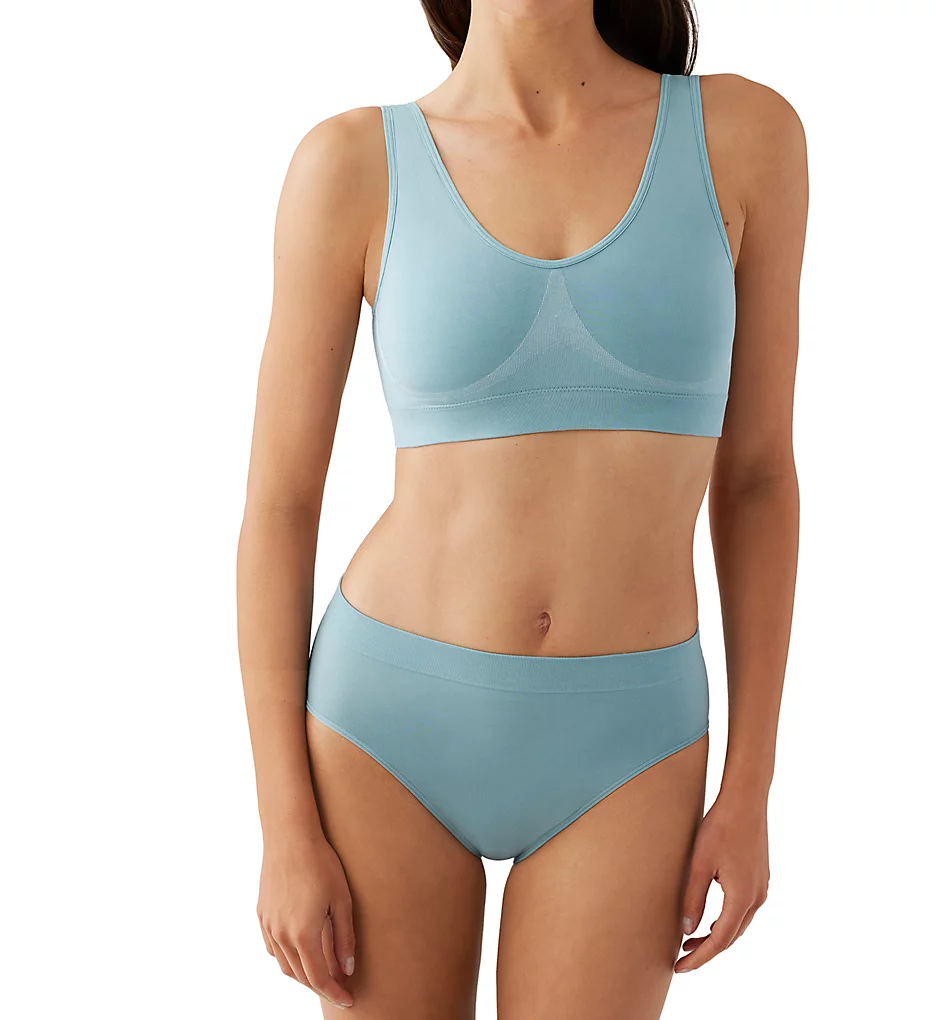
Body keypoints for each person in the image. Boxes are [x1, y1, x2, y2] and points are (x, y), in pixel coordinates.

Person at [236, 1, 807, 1016]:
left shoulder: (744, 138)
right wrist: (283, 824)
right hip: (386, 727)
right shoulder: (351, 164)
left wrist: (751, 783)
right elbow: (279, 504)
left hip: (629, 743)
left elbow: (757, 475)